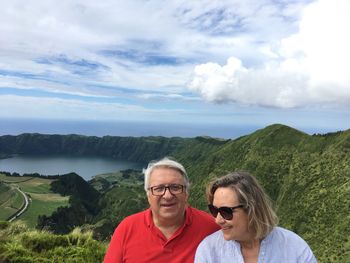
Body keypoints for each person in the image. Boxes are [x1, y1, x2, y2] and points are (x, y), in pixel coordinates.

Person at [103, 157, 220, 263]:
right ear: (148, 195)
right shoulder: (127, 229)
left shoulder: (212, 227)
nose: (168, 196)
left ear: (186, 193)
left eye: (175, 187)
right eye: (159, 188)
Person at [194, 171, 317, 263]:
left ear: (251, 209)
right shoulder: (209, 251)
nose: (218, 220)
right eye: (214, 210)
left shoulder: (294, 247)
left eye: (226, 212)